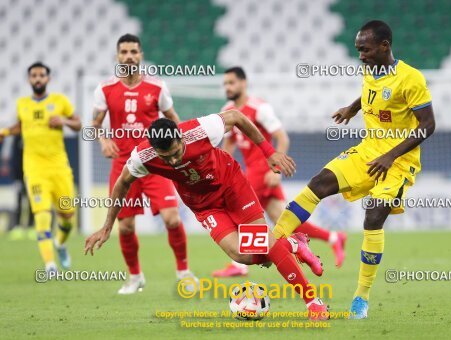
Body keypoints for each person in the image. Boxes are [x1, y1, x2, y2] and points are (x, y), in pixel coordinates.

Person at [84, 110, 329, 320]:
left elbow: (236, 117)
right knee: (244, 255)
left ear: (180, 137)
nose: (172, 159)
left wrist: (268, 152)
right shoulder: (143, 156)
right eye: (165, 157)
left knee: (264, 243)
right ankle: (293, 245)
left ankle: (313, 302)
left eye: (175, 151)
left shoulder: (200, 130)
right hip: (204, 205)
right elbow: (121, 184)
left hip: (233, 188)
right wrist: (107, 226)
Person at [270, 20, 436, 318]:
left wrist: (390, 156)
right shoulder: (371, 68)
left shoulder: (411, 79)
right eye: (358, 49)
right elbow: (372, 93)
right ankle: (276, 239)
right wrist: (353, 107)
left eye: (365, 49)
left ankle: (361, 296)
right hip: (367, 150)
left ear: (385, 46)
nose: (361, 55)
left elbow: (428, 125)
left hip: (397, 162)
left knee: (373, 216)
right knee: (319, 183)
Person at [213, 66, 347, 278]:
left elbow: (283, 137)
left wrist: (275, 171)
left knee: (237, 211)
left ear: (243, 83)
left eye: (232, 83)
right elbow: (227, 147)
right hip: (252, 172)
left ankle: (239, 265)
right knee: (284, 221)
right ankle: (333, 238)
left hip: (262, 172)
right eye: (225, 84)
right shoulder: (228, 110)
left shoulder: (259, 108)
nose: (228, 87)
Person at [92, 34, 194, 294]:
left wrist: (179, 146)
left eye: (133, 51)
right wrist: (103, 140)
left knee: (172, 219)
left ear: (140, 55)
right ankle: (135, 277)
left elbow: (173, 119)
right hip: (123, 166)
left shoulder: (157, 87)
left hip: (154, 163)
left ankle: (183, 271)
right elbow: (95, 124)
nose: (128, 56)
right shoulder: (104, 89)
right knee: (125, 226)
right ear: (117, 56)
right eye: (124, 51)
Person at [0, 62, 82, 273]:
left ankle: (60, 244)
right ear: (29, 79)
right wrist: (5, 132)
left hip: (59, 168)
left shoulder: (60, 101)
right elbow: (20, 126)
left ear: (48, 78)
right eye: (34, 75)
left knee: (67, 216)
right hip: (34, 169)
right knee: (42, 214)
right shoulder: (22, 104)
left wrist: (64, 120)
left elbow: (78, 124)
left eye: (41, 75)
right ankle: (49, 264)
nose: (37, 79)